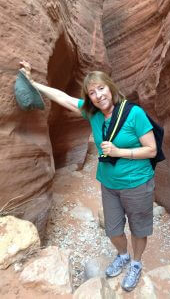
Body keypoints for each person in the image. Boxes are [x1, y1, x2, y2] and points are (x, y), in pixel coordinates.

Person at [19, 61, 157, 292]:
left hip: (137, 183)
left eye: (101, 88)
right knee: (113, 230)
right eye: (92, 92)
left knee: (138, 229)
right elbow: (64, 99)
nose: (98, 95)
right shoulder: (93, 114)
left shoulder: (134, 114)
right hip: (109, 184)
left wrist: (119, 151)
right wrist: (33, 83)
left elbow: (151, 149)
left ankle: (135, 263)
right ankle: (123, 256)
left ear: (110, 88)